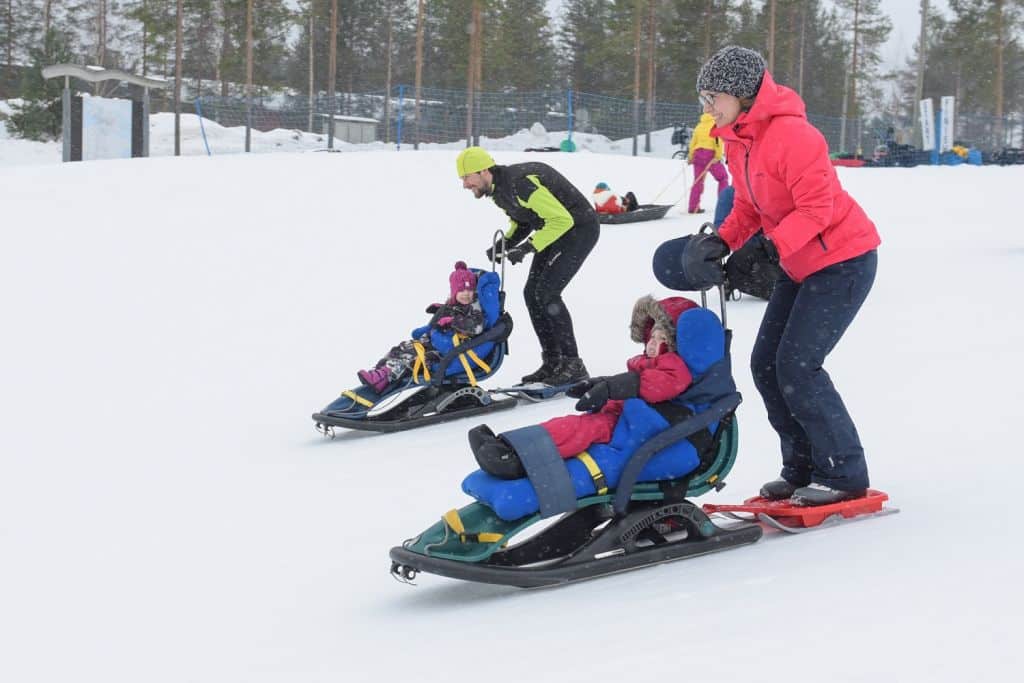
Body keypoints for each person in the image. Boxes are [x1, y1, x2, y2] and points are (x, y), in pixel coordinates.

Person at [687, 45, 880, 506]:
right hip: (799, 263)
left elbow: (818, 209)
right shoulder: (736, 138)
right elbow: (750, 206)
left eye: (714, 97)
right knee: (766, 366)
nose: (709, 107)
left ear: (743, 94)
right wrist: (723, 240)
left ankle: (843, 473)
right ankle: (802, 467)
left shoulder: (795, 136)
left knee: (798, 366)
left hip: (842, 260)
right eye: (705, 98)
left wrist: (768, 249)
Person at [467, 295, 695, 479]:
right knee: (568, 426)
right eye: (652, 337)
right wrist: (598, 385)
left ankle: (516, 459)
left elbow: (658, 385)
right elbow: (635, 383)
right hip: (619, 416)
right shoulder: (647, 361)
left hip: (629, 425)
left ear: (675, 343)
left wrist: (613, 387)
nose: (654, 343)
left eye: (663, 338)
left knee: (576, 431)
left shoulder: (673, 364)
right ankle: (507, 444)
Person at [456, 147, 599, 386]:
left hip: (578, 230)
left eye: (466, 178)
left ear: (483, 171)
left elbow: (563, 219)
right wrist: (506, 243)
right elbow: (524, 220)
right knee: (531, 294)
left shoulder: (519, 183)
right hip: (553, 231)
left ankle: (573, 364)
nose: (465, 185)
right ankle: (553, 361)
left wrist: (527, 247)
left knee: (547, 294)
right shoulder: (498, 191)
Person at [357, 261, 485, 394]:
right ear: (454, 291)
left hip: (446, 351)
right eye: (462, 290)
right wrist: (440, 311)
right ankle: (379, 373)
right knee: (400, 348)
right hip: (431, 343)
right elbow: (443, 319)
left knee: (411, 358)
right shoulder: (452, 305)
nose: (466, 294)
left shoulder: (474, 308)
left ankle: (385, 377)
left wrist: (453, 321)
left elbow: (477, 327)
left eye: (470, 290)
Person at [687, 111, 729, 214]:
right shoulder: (716, 125)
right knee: (723, 178)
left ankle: (693, 207)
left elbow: (693, 142)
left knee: (698, 181)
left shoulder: (699, 126)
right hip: (710, 155)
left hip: (698, 154)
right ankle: (724, 205)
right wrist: (718, 156)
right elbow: (718, 142)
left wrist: (691, 156)